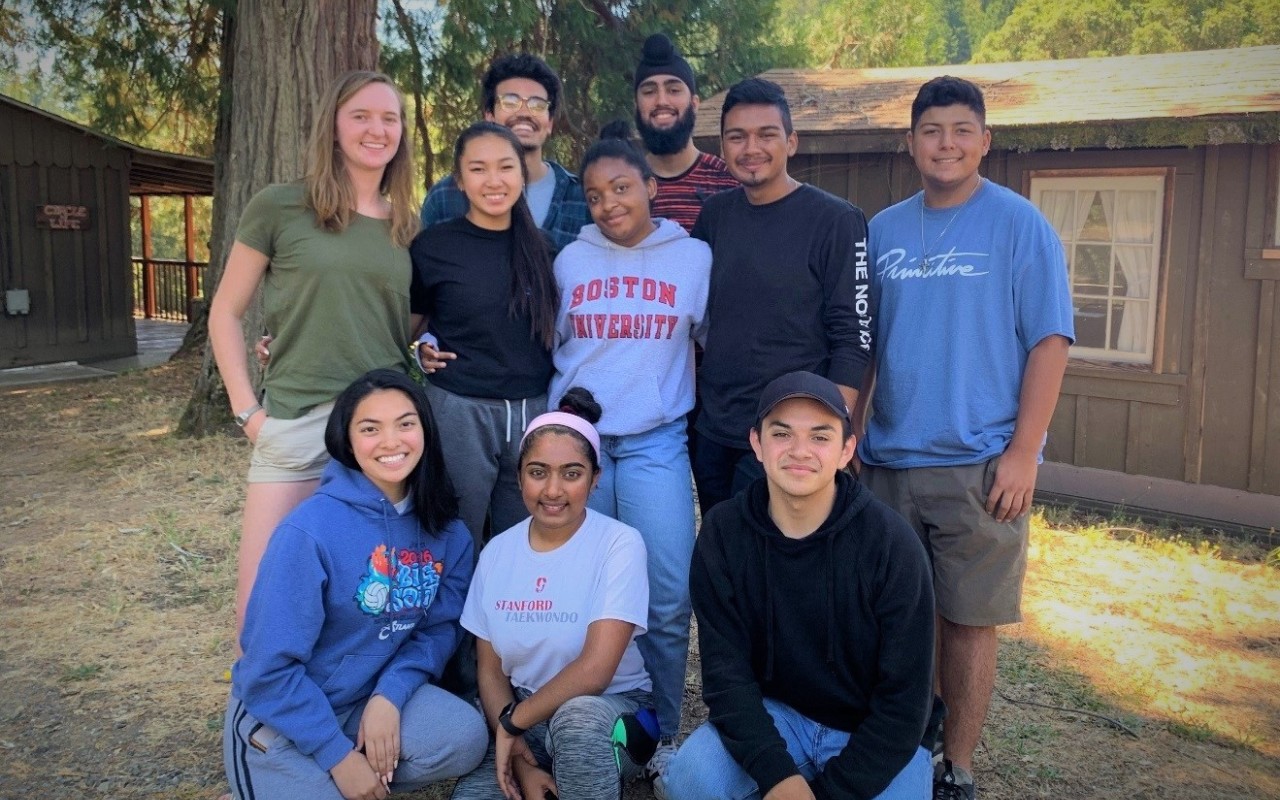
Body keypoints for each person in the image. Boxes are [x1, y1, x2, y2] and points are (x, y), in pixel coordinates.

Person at [856, 76, 1074, 800]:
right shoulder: (883, 230)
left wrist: (1023, 453)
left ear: (985, 140)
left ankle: (959, 765)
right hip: (886, 461)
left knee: (969, 620)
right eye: (931, 130)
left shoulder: (1018, 225)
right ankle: (900, 742)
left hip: (980, 464)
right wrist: (852, 440)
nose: (945, 143)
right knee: (894, 622)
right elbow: (867, 348)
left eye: (960, 129)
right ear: (909, 143)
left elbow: (1049, 342)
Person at [209, 70, 419, 643]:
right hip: (298, 421)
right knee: (260, 601)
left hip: (381, 436)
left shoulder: (406, 224)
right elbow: (225, 312)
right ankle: (255, 729)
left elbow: (402, 323)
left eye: (389, 118)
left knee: (362, 600)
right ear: (332, 125)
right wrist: (247, 412)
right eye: (361, 116)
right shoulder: (279, 206)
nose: (377, 129)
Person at [664, 371, 936, 800]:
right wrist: (778, 777)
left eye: (820, 437)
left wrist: (829, 794)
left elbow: (905, 706)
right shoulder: (724, 533)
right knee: (692, 777)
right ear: (757, 443)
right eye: (782, 433)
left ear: (847, 449)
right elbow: (725, 677)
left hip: (870, 731)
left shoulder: (891, 545)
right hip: (779, 717)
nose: (799, 451)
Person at [224, 369, 487, 800]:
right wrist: (339, 757)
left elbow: (437, 630)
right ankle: (271, 779)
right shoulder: (309, 532)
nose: (391, 441)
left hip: (364, 700)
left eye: (406, 423)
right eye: (370, 428)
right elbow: (267, 671)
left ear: (425, 430)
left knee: (463, 737)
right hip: (283, 714)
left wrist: (390, 694)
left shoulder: (448, 533)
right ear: (347, 440)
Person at [549, 122, 710, 791]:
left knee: (668, 595)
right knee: (586, 596)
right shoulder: (569, 262)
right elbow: (550, 345)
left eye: (621, 187)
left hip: (654, 442)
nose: (608, 203)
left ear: (650, 187)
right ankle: (582, 725)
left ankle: (656, 734)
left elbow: (707, 337)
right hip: (579, 448)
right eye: (593, 195)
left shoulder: (692, 258)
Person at [450, 390, 653, 800]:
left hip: (613, 711)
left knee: (577, 723)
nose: (553, 490)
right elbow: (489, 671)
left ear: (596, 479)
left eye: (572, 473)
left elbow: (595, 671)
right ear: (519, 475)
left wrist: (510, 727)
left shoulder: (619, 544)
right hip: (525, 716)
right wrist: (523, 762)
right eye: (538, 472)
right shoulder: (496, 553)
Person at [690, 77, 872, 515]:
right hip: (715, 431)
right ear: (723, 146)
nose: (751, 147)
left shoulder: (837, 221)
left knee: (778, 564)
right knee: (723, 551)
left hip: (791, 436)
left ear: (791, 142)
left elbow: (854, 335)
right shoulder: (715, 217)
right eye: (737, 136)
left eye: (766, 134)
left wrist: (833, 434)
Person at [409, 121, 559, 548]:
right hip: (460, 411)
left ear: (522, 173)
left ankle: (513, 616)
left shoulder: (545, 249)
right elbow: (411, 326)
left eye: (505, 167)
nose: (494, 181)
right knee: (457, 535)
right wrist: (421, 349)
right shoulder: (433, 247)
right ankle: (453, 617)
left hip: (534, 412)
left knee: (524, 540)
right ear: (459, 179)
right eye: (478, 169)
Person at [419, 53, 589, 255]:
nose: (525, 112)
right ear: (489, 116)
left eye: (537, 104)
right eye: (510, 102)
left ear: (550, 122)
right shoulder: (445, 196)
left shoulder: (582, 198)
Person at [632, 33, 738, 233]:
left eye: (674, 90)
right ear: (636, 106)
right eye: (649, 92)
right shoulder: (623, 185)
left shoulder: (729, 181)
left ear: (694, 103)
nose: (661, 101)